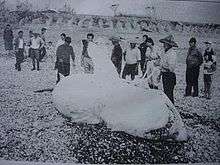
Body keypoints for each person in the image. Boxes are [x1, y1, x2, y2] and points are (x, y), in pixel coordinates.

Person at [159, 35, 178, 104]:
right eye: (164, 43)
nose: (164, 45)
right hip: (165, 75)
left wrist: (162, 66)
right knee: (166, 93)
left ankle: (172, 110)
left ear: (169, 45)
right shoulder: (165, 52)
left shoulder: (172, 53)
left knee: (169, 94)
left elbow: (171, 68)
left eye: (165, 44)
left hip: (169, 76)